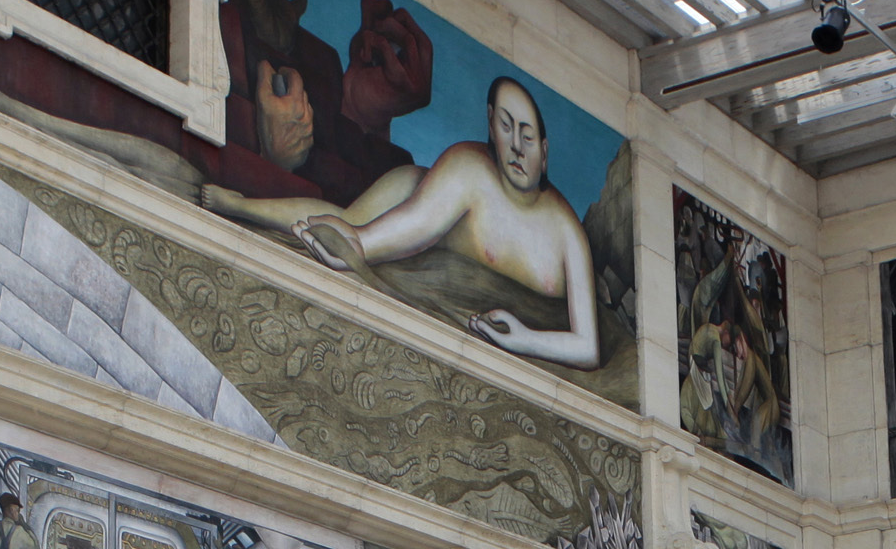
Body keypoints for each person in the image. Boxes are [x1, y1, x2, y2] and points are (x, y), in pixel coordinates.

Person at [206, 77, 602, 369]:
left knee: (348, 227)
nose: (516, 145)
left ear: (545, 153)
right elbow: (416, 224)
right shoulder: (469, 167)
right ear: (490, 131)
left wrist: (526, 339)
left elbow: (588, 347)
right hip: (419, 193)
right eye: (505, 126)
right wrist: (358, 249)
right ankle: (243, 205)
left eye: (528, 136)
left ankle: (253, 207)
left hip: (429, 209)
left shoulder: (567, 232)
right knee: (346, 221)